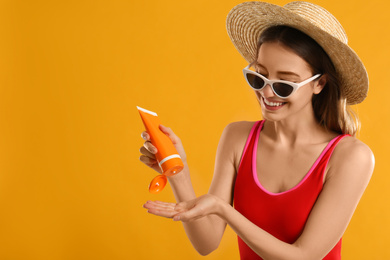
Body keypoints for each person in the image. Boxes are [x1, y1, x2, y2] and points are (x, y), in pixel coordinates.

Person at [140, 1, 375, 259]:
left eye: (284, 84)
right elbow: (206, 243)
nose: (266, 93)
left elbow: (304, 256)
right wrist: (177, 171)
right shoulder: (237, 138)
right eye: (259, 77)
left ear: (319, 83)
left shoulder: (351, 157)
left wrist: (224, 210)